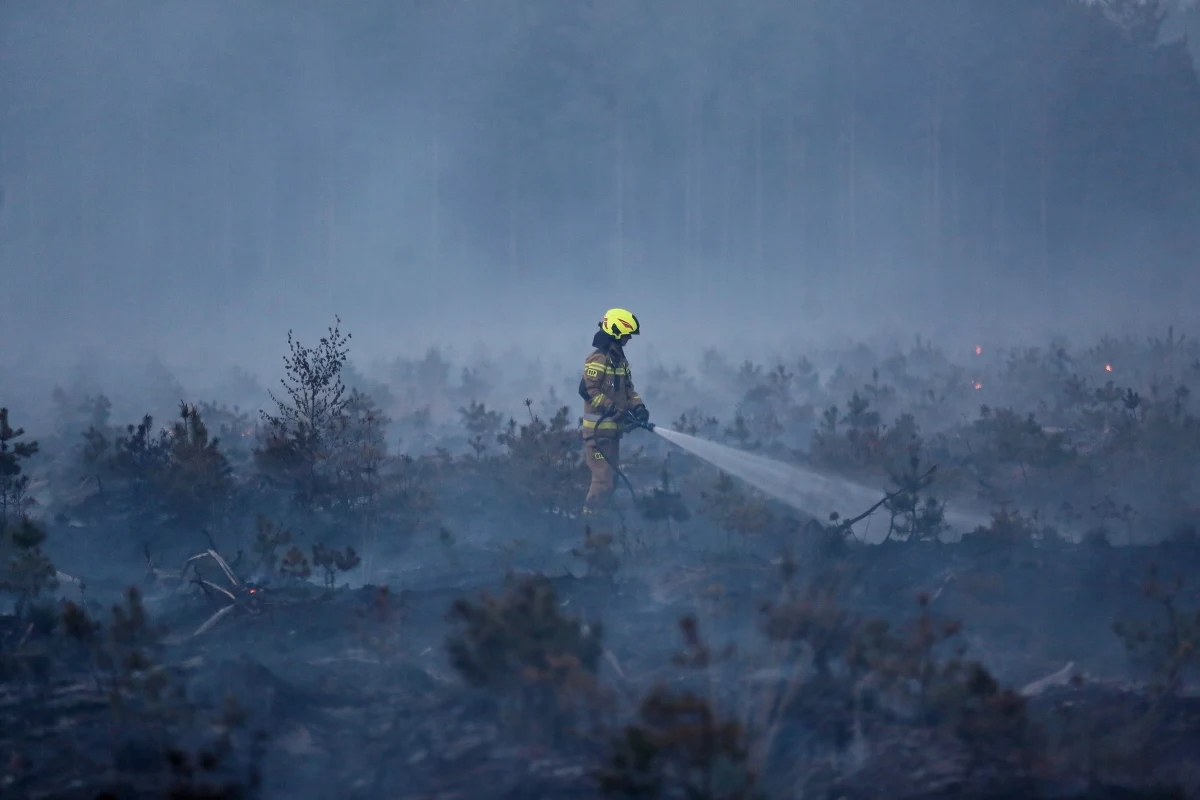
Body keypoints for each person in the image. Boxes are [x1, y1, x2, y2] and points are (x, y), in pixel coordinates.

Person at [578, 308, 650, 517]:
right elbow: (587, 390)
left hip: (612, 434)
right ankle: (588, 521)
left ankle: (602, 518)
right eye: (627, 334)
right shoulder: (598, 358)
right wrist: (610, 407)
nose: (629, 339)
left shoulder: (620, 360)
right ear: (616, 332)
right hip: (597, 434)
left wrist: (638, 407)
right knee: (603, 481)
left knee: (612, 480)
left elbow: (628, 390)